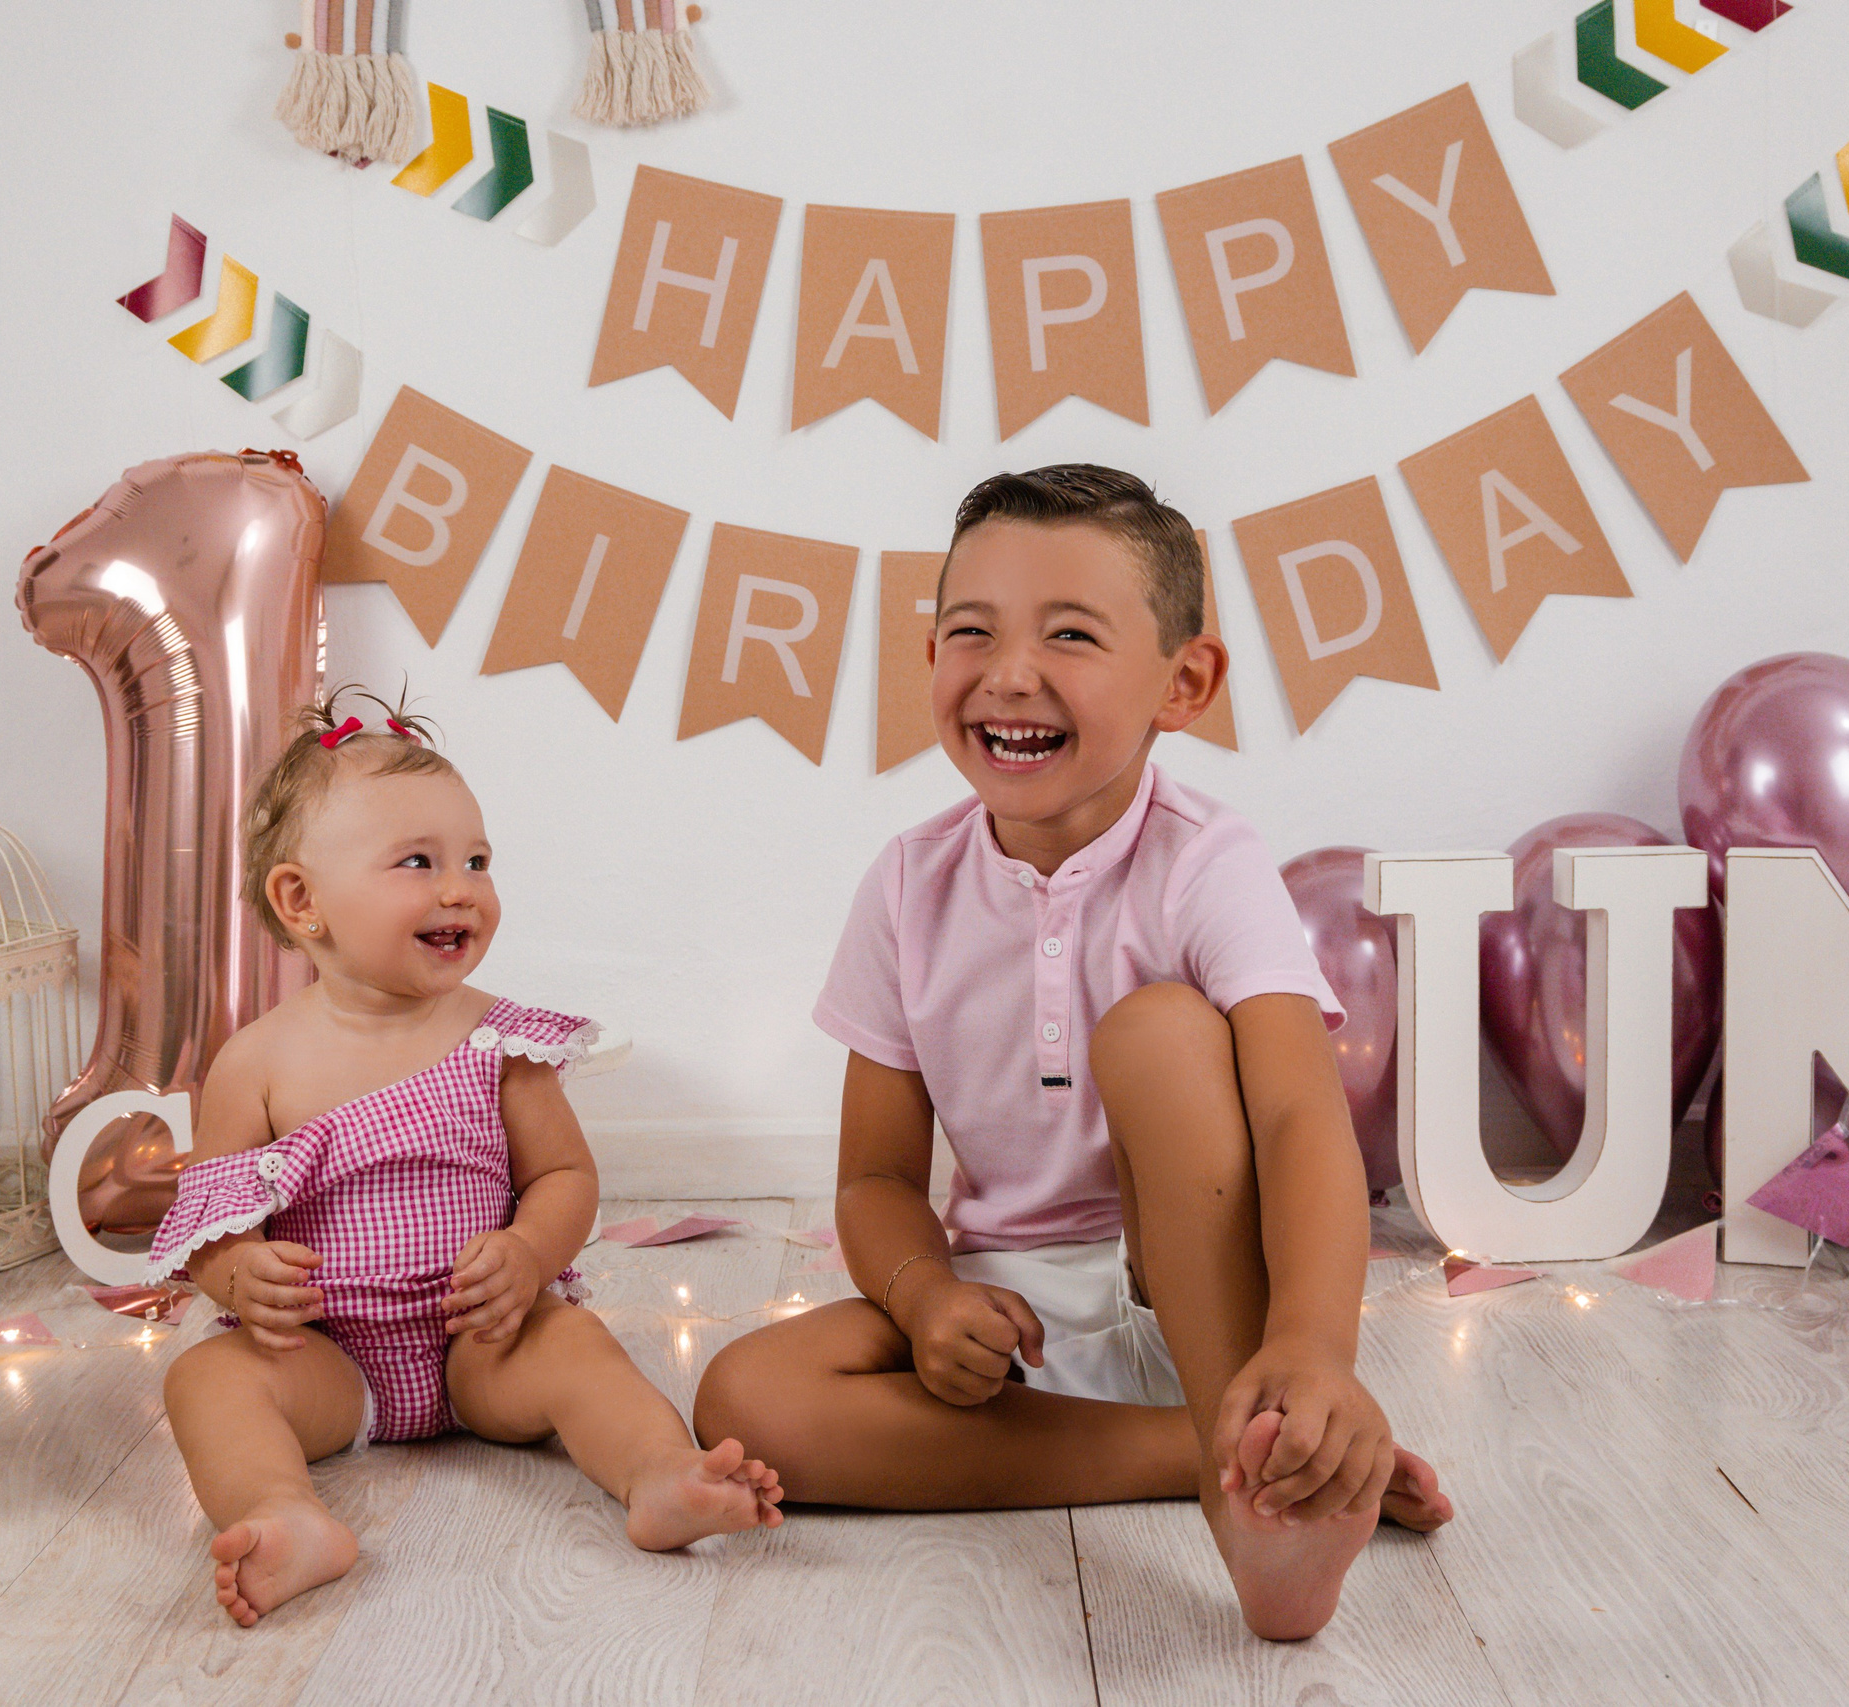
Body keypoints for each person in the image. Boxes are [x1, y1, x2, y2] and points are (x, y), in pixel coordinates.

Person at [694, 466, 1451, 1640]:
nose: (1009, 674)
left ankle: (1262, 1435)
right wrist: (930, 1295)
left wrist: (1309, 1345)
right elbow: (877, 1180)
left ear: (1183, 683)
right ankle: (1220, 1456)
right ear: (930, 657)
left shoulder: (1208, 860)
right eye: (971, 632)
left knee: (1156, 1031)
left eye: (1071, 636)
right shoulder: (907, 884)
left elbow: (1306, 1121)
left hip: (1203, 1298)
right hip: (1017, 1312)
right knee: (747, 1395)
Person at [149, 694, 783, 1628]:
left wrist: (528, 1255)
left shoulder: (498, 1042)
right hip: (327, 1357)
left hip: (480, 1341)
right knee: (205, 1380)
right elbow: (212, 1219)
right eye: (419, 862)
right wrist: (236, 1273)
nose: (461, 888)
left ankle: (658, 1473)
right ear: (301, 901)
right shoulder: (257, 1062)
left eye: (476, 861)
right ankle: (284, 1514)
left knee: (572, 1341)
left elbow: (564, 1177)